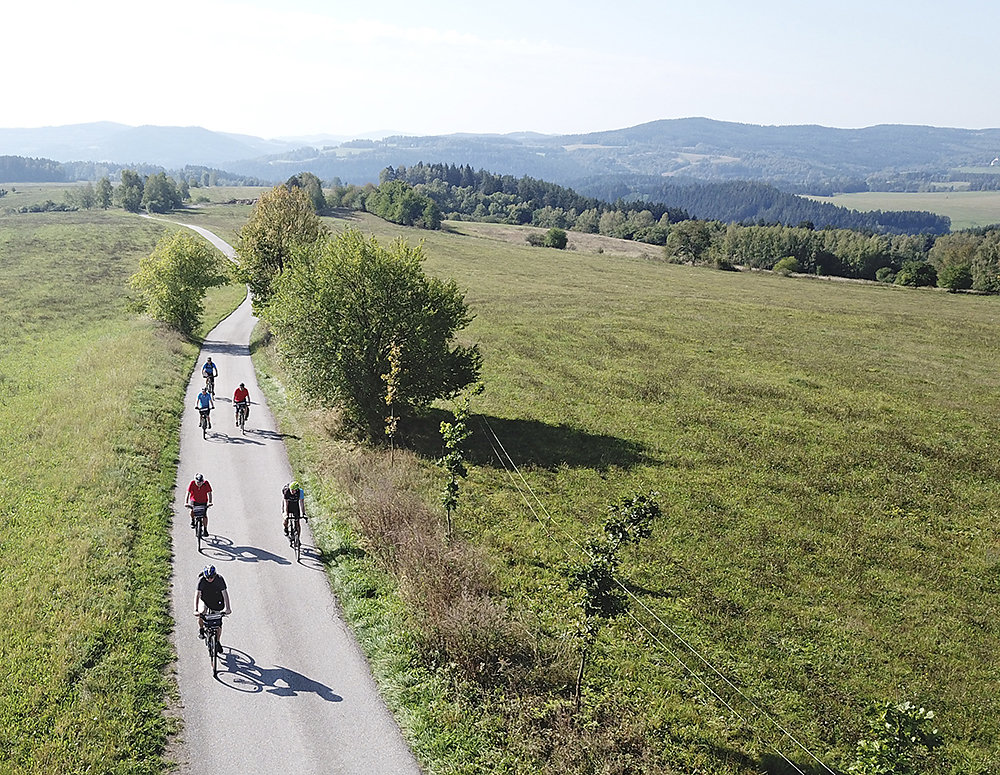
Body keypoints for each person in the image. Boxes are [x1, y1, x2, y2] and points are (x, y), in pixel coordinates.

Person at [193, 565, 231, 654]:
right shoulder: (201, 580)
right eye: (208, 577)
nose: (210, 579)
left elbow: (225, 594)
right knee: (202, 613)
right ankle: (201, 629)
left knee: (218, 623)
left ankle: (217, 642)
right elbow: (197, 595)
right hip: (205, 599)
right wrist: (195, 609)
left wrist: (228, 608)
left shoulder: (220, 579)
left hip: (216, 600)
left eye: (212, 577)